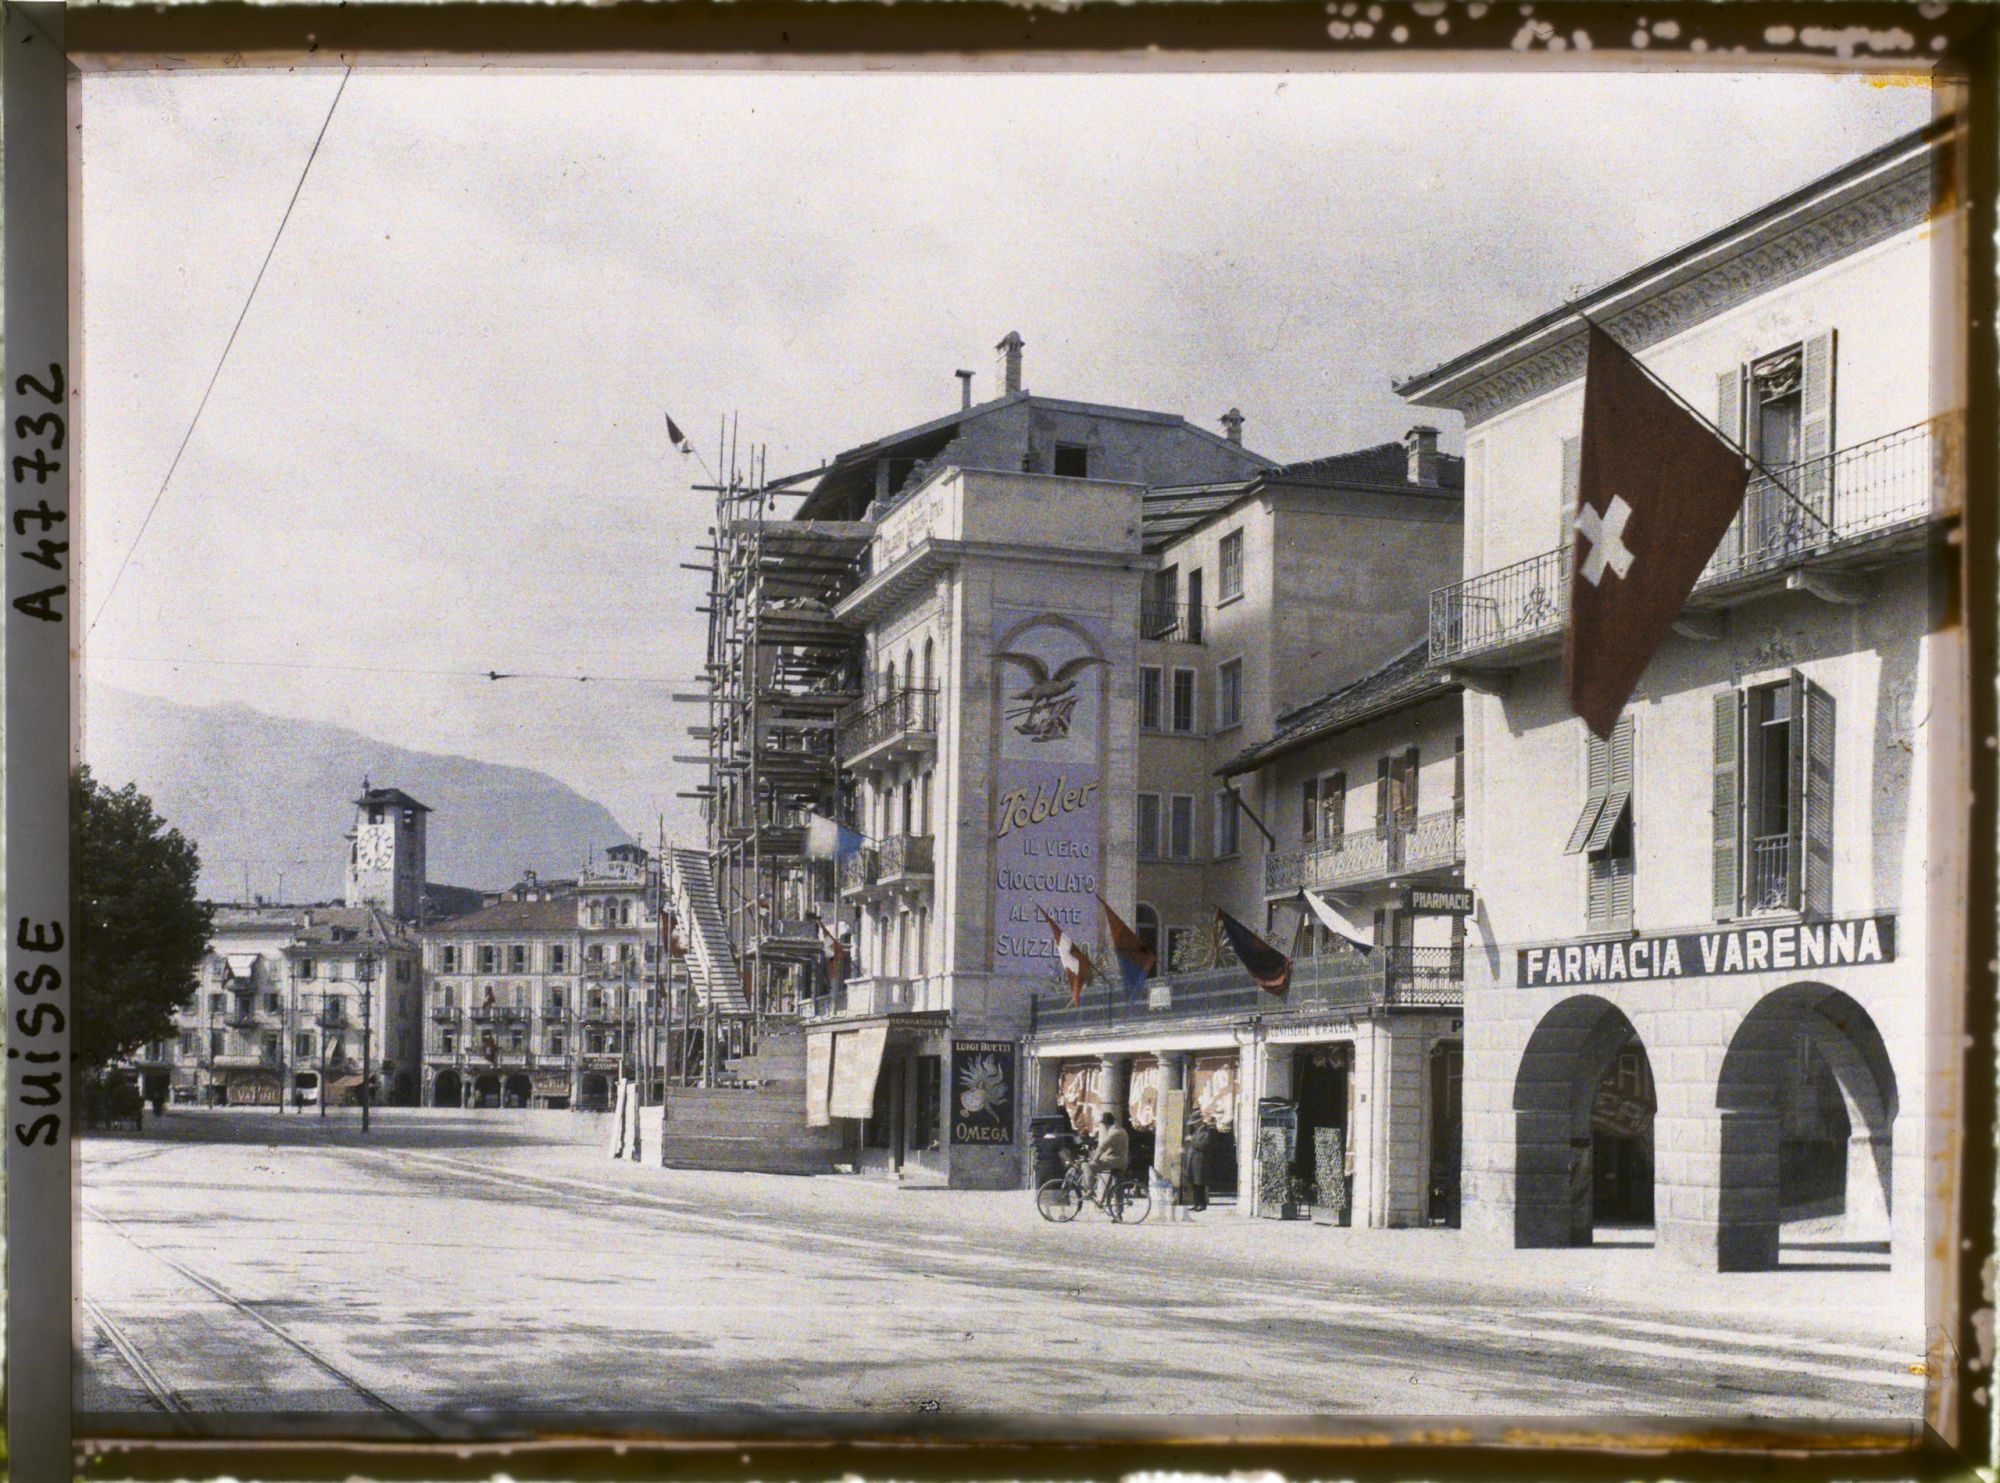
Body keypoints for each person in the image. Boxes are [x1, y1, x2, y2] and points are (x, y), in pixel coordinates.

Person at [1085, 1109, 1129, 1203]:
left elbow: (1102, 1147)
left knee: (1087, 1166)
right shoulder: (1121, 1130)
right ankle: (1118, 1214)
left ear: (1105, 1124)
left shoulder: (1113, 1133)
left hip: (1114, 1161)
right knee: (1118, 1187)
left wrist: (1094, 1159)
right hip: (1122, 1161)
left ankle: (1090, 1190)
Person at [1183, 1111, 1217, 1212]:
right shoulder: (1197, 1131)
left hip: (1200, 1161)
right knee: (1194, 1182)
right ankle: (1196, 1203)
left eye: (1195, 1123)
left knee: (1199, 1183)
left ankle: (1201, 1204)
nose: (1194, 1125)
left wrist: (1191, 1140)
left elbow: (1203, 1145)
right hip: (1193, 1160)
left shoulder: (1206, 1131)